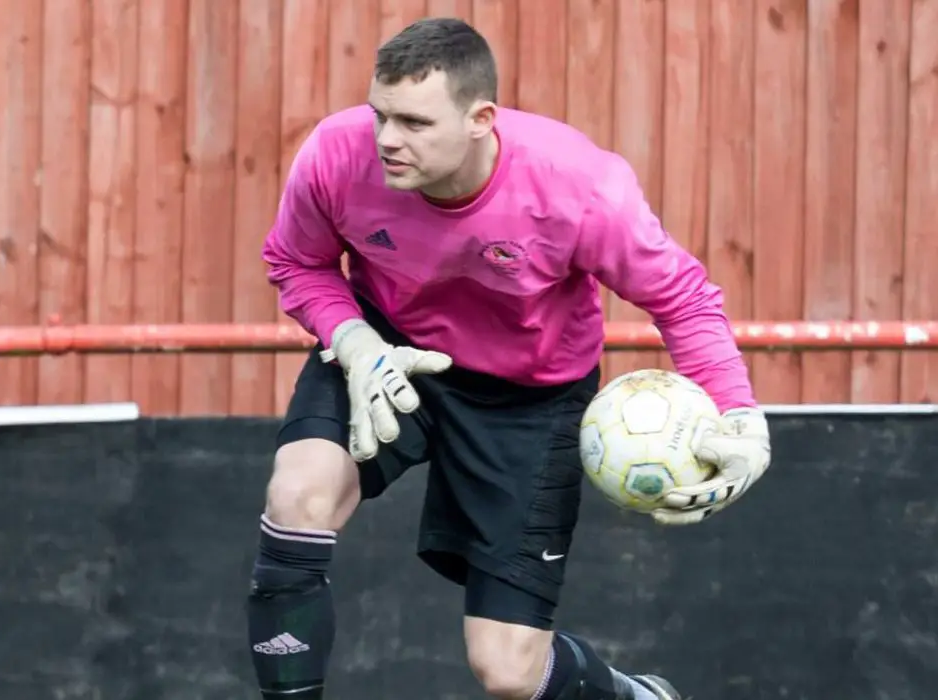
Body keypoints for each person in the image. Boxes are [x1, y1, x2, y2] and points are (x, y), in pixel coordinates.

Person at [250, 17, 771, 700]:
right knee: (298, 493)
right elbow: (295, 261)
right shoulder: (336, 154)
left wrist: (741, 420)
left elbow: (683, 298)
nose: (386, 140)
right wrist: (354, 344)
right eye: (379, 115)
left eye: (412, 122)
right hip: (389, 356)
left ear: (481, 119)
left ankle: (633, 696)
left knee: (508, 672)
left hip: (530, 397)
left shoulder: (581, 188)